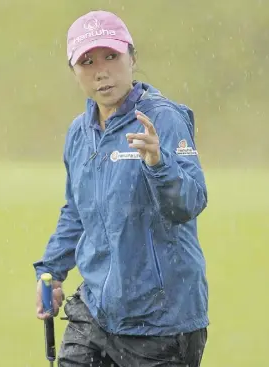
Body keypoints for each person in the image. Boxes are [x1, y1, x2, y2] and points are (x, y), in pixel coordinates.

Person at [34, 9, 209, 367]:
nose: (102, 71)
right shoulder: (79, 133)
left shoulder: (163, 118)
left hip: (162, 322)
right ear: (74, 72)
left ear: (132, 57)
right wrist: (51, 272)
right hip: (96, 313)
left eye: (111, 56)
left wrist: (159, 165)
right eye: (87, 61)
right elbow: (76, 211)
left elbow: (189, 203)